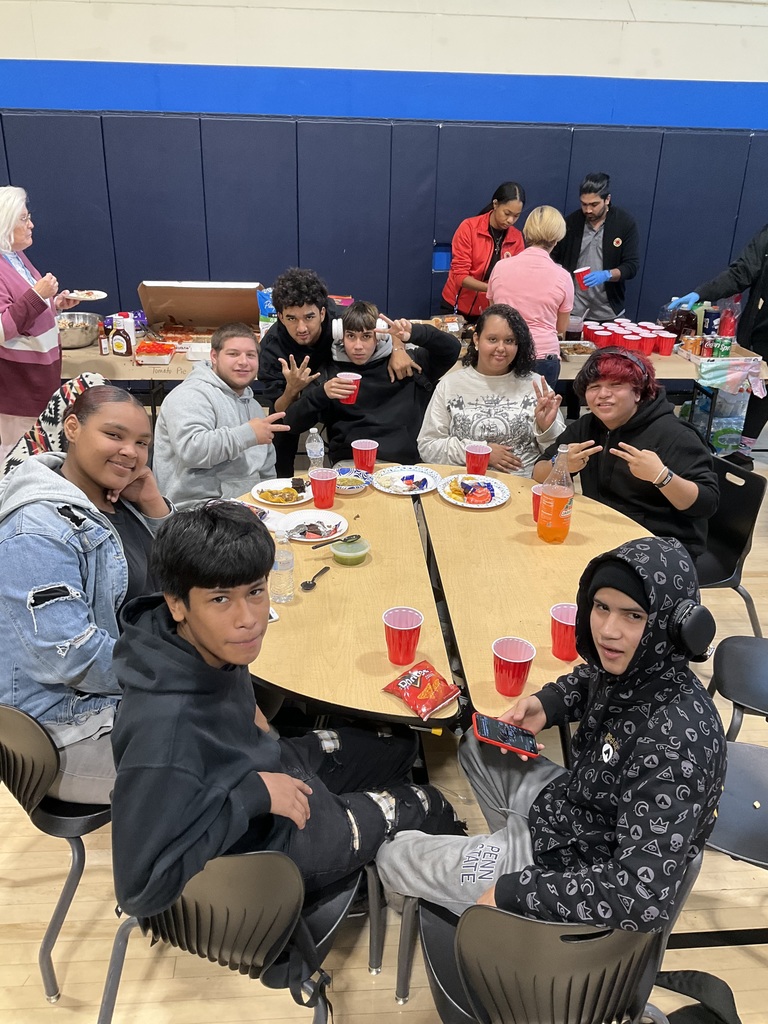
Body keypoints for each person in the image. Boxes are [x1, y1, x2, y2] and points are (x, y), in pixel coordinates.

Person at [109, 502, 462, 917]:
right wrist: (252, 796)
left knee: (401, 745)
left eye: (255, 592)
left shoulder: (195, 640)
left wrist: (251, 727)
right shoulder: (163, 733)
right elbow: (138, 890)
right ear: (177, 604)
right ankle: (386, 880)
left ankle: (363, 846)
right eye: (220, 599)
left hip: (264, 769)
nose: (248, 619)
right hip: (264, 847)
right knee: (427, 801)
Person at [378, 535, 726, 930]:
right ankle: (505, 855)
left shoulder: (674, 748)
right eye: (601, 607)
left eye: (632, 615)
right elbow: (591, 679)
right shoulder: (643, 664)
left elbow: (639, 897)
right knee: (478, 743)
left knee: (393, 855)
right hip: (575, 816)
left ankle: (509, 893)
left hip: (581, 873)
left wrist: (517, 891)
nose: (608, 631)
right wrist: (548, 704)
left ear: (674, 626)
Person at [0, 386, 171, 803]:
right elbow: (71, 655)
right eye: (114, 435)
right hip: (67, 729)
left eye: (142, 443)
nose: (131, 452)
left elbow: (184, 571)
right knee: (229, 763)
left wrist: (153, 504)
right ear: (73, 428)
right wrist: (179, 670)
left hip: (129, 691)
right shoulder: (36, 530)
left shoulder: (117, 502)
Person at [532, 348, 718, 559]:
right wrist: (560, 465)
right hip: (603, 534)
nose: (603, 394)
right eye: (594, 387)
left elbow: (706, 504)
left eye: (616, 385)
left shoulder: (675, 434)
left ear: (638, 392)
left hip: (664, 547)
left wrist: (662, 477)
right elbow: (538, 473)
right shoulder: (587, 426)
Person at [258, 268, 418, 475]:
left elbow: (381, 326)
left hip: (334, 389)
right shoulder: (272, 349)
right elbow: (279, 412)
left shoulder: (340, 320)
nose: (301, 328)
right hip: (294, 396)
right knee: (282, 434)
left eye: (309, 317)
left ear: (323, 313)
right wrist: (292, 390)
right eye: (291, 319)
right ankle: (285, 486)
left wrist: (398, 347)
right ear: (280, 317)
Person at [287, 300, 461, 466]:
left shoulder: (406, 363)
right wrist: (322, 394)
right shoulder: (328, 374)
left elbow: (451, 349)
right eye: (351, 336)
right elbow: (292, 424)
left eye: (366, 336)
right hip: (350, 464)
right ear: (340, 336)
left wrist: (413, 333)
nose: (358, 346)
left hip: (405, 465)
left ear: (378, 336)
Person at [418, 304, 564, 475]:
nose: (501, 348)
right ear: (476, 340)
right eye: (492, 339)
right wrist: (480, 451)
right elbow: (428, 446)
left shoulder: (537, 385)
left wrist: (547, 429)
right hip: (463, 484)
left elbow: (561, 455)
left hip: (522, 484)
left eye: (509, 341)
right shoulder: (450, 385)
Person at [153, 323, 287, 509]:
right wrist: (248, 434)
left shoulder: (253, 406)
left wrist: (270, 503)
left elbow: (266, 466)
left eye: (250, 355)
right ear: (214, 357)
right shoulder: (190, 395)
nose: (243, 362)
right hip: (195, 511)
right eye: (233, 354)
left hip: (246, 507)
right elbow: (191, 451)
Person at [669, 223, 768, 468]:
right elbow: (742, 271)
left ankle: (743, 451)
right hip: (762, 329)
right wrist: (702, 293)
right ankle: (743, 452)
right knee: (761, 386)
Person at [0, 186, 80, 458]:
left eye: (29, 217)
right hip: (18, 388)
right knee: (18, 457)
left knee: (41, 451)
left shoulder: (15, 255)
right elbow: (3, 328)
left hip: (40, 379)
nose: (31, 224)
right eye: (23, 219)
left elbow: (25, 311)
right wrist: (38, 295)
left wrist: (55, 304)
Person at [487, 206, 574, 388]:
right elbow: (561, 327)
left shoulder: (501, 267)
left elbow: (493, 313)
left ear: (526, 233)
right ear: (557, 239)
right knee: (540, 406)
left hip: (505, 352)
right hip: (544, 356)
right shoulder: (563, 277)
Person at [551, 172, 639, 323]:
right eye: (584, 204)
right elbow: (554, 258)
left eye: (594, 205)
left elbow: (631, 266)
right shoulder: (571, 223)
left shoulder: (624, 223)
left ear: (607, 200)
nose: (588, 210)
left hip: (610, 312)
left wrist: (607, 275)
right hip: (574, 310)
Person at [442, 182, 526, 322]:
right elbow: (460, 276)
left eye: (516, 216)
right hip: (456, 306)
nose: (510, 220)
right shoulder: (469, 228)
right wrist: (492, 289)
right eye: (507, 213)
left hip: (489, 310)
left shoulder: (516, 238)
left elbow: (516, 278)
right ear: (495, 204)